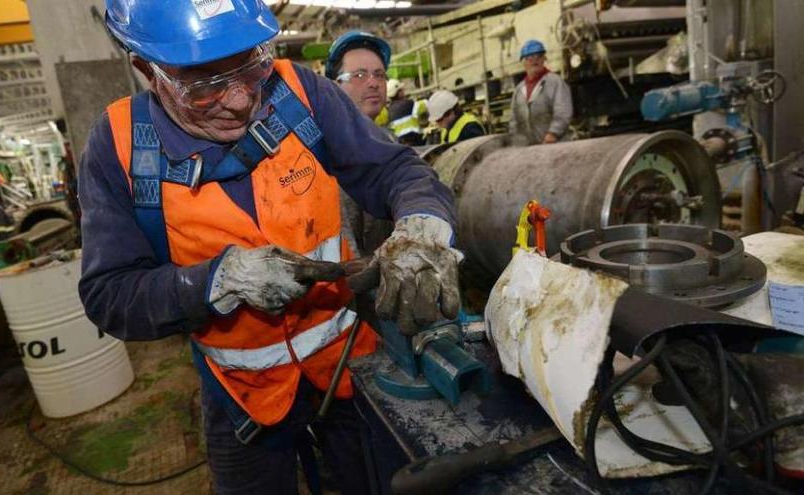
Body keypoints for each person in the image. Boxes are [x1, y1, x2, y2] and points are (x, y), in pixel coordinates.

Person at [81, 2, 461, 494]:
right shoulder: (120, 149)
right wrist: (219, 281)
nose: (240, 102)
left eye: (250, 66)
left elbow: (393, 169)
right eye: (204, 85)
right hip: (242, 396)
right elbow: (110, 295)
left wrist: (424, 227)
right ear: (146, 71)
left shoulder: (299, 94)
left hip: (347, 366)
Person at [508, 39, 573, 145]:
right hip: (529, 149)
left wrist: (553, 133)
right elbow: (514, 120)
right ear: (523, 62)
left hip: (556, 145)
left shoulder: (555, 82)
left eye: (538, 56)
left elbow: (563, 111)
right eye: (530, 57)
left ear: (544, 59)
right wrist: (516, 141)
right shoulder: (519, 90)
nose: (534, 61)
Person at [325, 31, 390, 122]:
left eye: (379, 75)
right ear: (335, 87)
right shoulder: (327, 135)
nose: (374, 84)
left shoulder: (384, 135)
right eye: (359, 75)